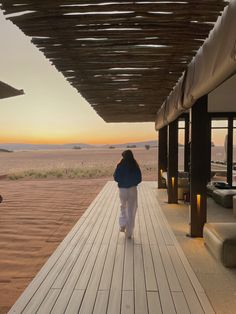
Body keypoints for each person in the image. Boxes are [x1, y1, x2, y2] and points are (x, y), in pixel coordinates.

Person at [113, 150, 142, 238]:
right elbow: (139, 178)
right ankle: (129, 232)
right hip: (132, 189)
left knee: (123, 206)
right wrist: (132, 183)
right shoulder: (135, 165)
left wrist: (122, 182)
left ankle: (122, 224)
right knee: (132, 209)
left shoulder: (120, 165)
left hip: (122, 189)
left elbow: (115, 177)